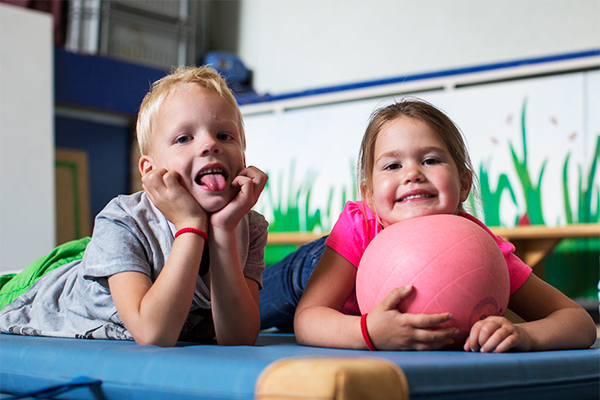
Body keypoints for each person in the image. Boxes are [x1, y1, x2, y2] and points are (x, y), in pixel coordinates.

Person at [261, 99, 597, 352]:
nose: (412, 174)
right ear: (369, 195)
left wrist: (526, 335)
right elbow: (308, 320)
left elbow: (578, 322)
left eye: (430, 160)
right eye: (392, 165)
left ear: (463, 184)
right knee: (222, 319)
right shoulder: (358, 227)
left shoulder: (481, 251)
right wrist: (368, 333)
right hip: (310, 272)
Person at [0, 66, 269, 347]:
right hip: (34, 294)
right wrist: (190, 224)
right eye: (184, 138)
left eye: (225, 136)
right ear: (150, 170)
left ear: (242, 158)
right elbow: (154, 334)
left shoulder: (250, 226)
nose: (209, 145)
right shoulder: (121, 218)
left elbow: (239, 338)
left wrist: (223, 231)